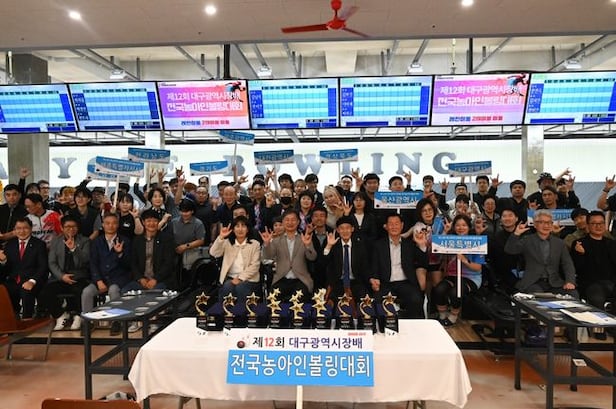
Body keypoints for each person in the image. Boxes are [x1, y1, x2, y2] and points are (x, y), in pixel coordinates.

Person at [504, 209, 578, 297]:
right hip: (532, 282)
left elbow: (567, 264)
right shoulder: (527, 240)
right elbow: (510, 250)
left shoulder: (559, 243)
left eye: (549, 222)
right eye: (542, 222)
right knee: (540, 297)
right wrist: (516, 234)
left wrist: (570, 281)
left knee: (573, 294)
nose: (546, 225)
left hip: (554, 283)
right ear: (535, 225)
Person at [370, 213, 428, 319]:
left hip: (405, 283)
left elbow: (422, 263)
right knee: (377, 300)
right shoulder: (378, 245)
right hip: (386, 283)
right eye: (391, 224)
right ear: (386, 226)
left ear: (402, 225)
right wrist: (374, 279)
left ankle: (413, 326)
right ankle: (384, 327)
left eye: (396, 224)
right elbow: (374, 265)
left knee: (416, 299)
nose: (394, 226)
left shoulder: (409, 245)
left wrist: (421, 245)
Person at [82, 212, 132, 335]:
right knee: (87, 292)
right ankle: (88, 322)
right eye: (107, 223)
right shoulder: (96, 242)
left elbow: (129, 264)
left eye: (114, 223)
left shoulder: (125, 241)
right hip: (100, 278)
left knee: (114, 290)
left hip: (118, 278)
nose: (111, 226)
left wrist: (120, 254)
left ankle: (117, 321)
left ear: (118, 225)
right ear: (103, 225)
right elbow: (93, 263)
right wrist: (98, 280)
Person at [38, 215, 90, 331]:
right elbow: (52, 262)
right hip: (60, 277)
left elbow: (85, 260)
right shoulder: (56, 241)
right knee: (45, 292)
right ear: (62, 228)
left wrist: (74, 249)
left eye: (74, 226)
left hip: (78, 276)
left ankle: (78, 316)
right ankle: (60, 315)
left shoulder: (85, 241)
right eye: (67, 227)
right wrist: (62, 276)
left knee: (79, 290)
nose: (71, 229)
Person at [433, 214, 485, 327]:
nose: (461, 228)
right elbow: (437, 251)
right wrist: (445, 232)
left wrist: (465, 261)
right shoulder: (450, 240)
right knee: (438, 290)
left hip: (471, 277)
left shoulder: (477, 242)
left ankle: (453, 317)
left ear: (469, 227)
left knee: (455, 292)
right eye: (457, 225)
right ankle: (442, 315)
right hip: (451, 275)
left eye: (464, 225)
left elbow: (478, 267)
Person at [571, 211, 616, 338]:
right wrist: (580, 254)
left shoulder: (611, 243)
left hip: (610, 281)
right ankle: (599, 329)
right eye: (594, 223)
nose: (598, 226)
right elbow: (577, 268)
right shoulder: (579, 243)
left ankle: (613, 327)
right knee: (597, 296)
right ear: (588, 226)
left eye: (601, 223)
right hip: (590, 282)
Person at [261, 210, 317, 302]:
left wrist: (307, 245)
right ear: (283, 222)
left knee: (299, 301)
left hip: (300, 279)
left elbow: (312, 257)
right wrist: (267, 244)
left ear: (298, 222)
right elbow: (268, 256)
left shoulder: (304, 238)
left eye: (293, 220)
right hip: (281, 278)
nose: (290, 223)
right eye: (287, 220)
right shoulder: (277, 240)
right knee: (273, 300)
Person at [0, 218, 48, 318]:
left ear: (31, 229)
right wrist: (3, 261)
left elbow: (43, 267)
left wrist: (32, 281)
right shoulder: (10, 245)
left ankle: (27, 319)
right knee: (4, 290)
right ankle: (12, 318)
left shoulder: (39, 244)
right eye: (18, 228)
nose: (22, 231)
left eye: (25, 228)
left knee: (26, 291)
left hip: (31, 279)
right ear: (15, 230)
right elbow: (7, 269)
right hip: (14, 280)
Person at [209, 215, 261, 304]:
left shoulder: (255, 244)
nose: (240, 229)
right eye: (237, 226)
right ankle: (226, 312)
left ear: (247, 229)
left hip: (249, 279)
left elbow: (255, 266)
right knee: (227, 287)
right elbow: (213, 253)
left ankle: (243, 312)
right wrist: (221, 237)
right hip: (230, 278)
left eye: (243, 226)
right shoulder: (227, 243)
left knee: (241, 288)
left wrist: (240, 278)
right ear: (233, 229)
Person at [124, 209, 177, 292]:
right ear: (143, 222)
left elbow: (168, 263)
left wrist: (155, 279)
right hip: (141, 280)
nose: (152, 224)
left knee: (154, 293)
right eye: (148, 221)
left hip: (161, 280)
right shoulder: (137, 240)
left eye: (155, 221)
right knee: (125, 291)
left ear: (158, 222)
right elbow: (133, 263)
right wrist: (140, 278)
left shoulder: (167, 239)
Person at [323, 216, 370, 305]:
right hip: (337, 283)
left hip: (356, 282)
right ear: (337, 230)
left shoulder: (360, 246)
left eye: (347, 228)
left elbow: (365, 267)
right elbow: (323, 264)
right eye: (342, 228)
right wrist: (329, 246)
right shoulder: (333, 244)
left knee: (365, 302)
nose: (345, 231)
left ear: (352, 229)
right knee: (331, 303)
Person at [171, 199, 205, 289]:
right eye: (182, 211)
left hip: (192, 252)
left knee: (189, 276)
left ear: (192, 211)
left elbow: (201, 240)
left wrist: (186, 246)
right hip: (175, 252)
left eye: (187, 211)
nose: (184, 214)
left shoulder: (198, 223)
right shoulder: (174, 222)